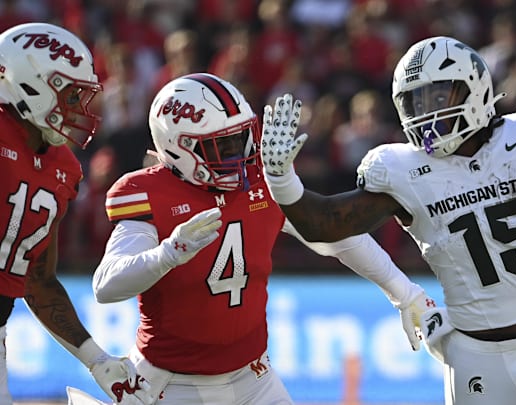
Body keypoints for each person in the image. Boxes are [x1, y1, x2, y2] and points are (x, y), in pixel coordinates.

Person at [261, 36, 516, 405]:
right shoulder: (403, 170)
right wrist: (281, 179)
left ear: (475, 89)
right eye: (415, 102)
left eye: (438, 98)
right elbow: (323, 224)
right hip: (477, 358)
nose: (426, 114)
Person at [91, 72, 434, 404]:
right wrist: (168, 253)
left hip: (253, 378)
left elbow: (334, 237)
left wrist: (405, 292)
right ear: (179, 147)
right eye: (221, 145)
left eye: (240, 138)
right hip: (171, 384)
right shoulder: (148, 192)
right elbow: (107, 285)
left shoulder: (262, 180)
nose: (238, 154)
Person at [0, 23, 152, 404]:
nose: (79, 110)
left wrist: (97, 360)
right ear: (30, 84)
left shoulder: (63, 168)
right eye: (69, 96)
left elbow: (39, 280)